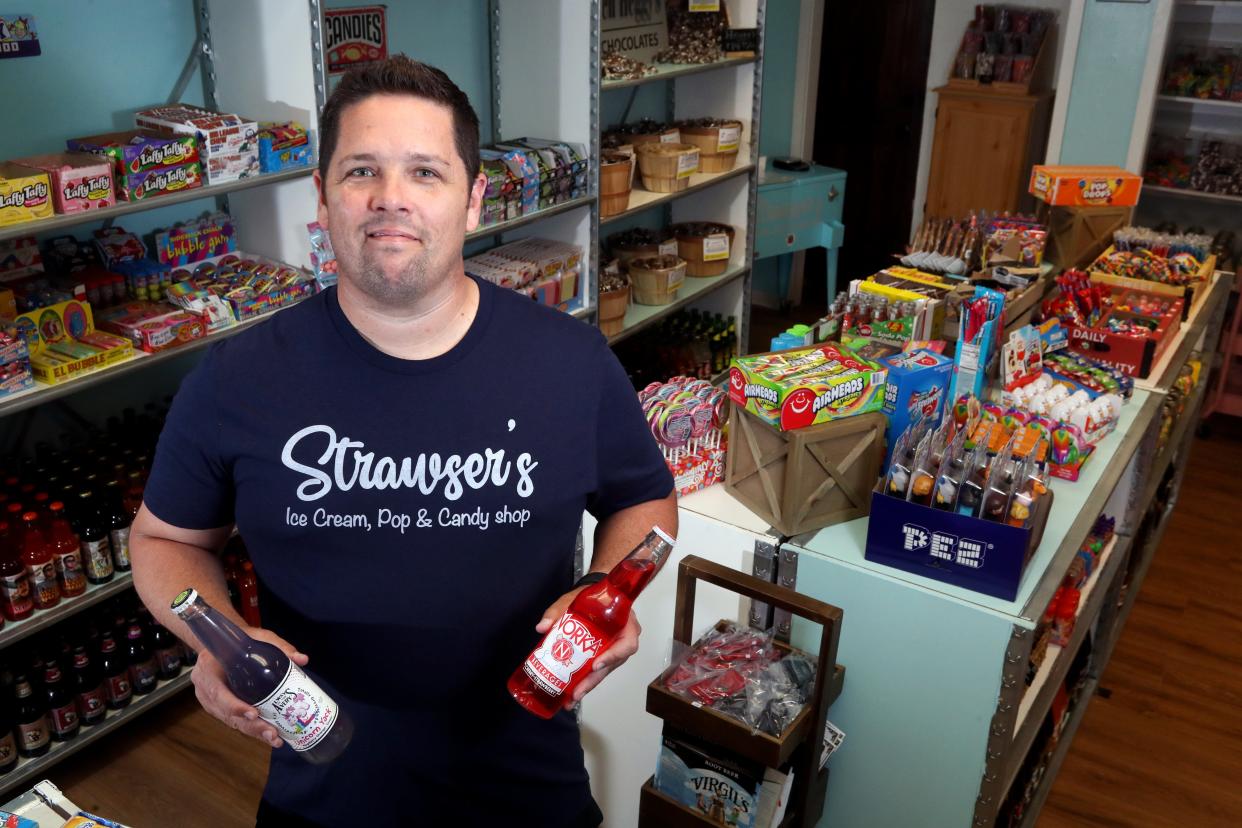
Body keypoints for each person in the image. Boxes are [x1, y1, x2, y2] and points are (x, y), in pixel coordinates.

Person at [130, 55, 677, 827]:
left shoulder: (571, 363)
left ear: (475, 199)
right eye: (361, 171)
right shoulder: (237, 379)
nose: (391, 200)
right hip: (322, 788)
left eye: (426, 171)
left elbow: (644, 498)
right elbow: (162, 538)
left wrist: (612, 589)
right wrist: (212, 636)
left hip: (527, 785)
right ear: (321, 198)